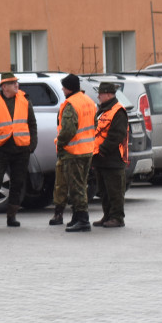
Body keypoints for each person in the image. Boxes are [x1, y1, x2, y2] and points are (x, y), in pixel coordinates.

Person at [0, 72, 37, 228]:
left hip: (21, 149)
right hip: (1, 149)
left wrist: (32, 145)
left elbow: (32, 124)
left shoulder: (24, 100)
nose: (17, 85)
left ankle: (12, 216)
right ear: (4, 87)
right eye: (13, 83)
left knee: (17, 183)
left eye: (16, 82)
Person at [49, 73, 97, 232]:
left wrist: (60, 142)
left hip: (74, 151)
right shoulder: (89, 101)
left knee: (76, 187)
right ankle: (77, 216)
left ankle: (83, 220)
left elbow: (68, 129)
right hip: (88, 150)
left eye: (63, 86)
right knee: (81, 184)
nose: (62, 89)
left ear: (69, 88)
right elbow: (94, 124)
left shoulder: (71, 104)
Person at [92, 81, 129, 228]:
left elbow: (116, 135)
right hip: (101, 158)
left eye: (100, 94)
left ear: (108, 94)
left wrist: (103, 150)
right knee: (104, 190)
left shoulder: (118, 111)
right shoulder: (103, 110)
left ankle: (117, 218)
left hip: (113, 158)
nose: (98, 97)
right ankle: (107, 215)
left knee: (115, 190)